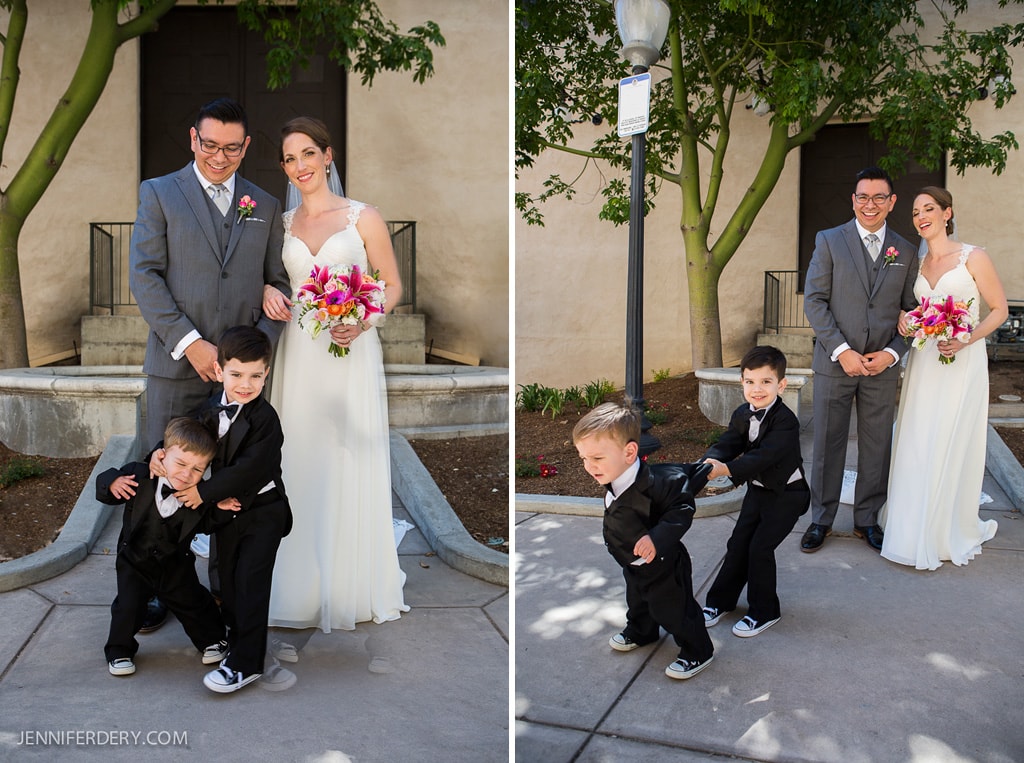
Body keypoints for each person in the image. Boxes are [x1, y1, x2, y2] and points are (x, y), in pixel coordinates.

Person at [129, 97, 289, 629]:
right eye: (210, 145)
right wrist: (191, 343)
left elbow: (279, 285)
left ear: (246, 147)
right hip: (176, 366)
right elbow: (145, 276)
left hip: (237, 382)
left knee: (229, 486)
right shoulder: (159, 193)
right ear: (193, 139)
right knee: (167, 477)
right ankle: (157, 588)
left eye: (232, 148)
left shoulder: (264, 203)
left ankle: (225, 588)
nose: (220, 157)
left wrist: (252, 356)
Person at [260, 116, 408, 635]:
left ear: (328, 156)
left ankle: (349, 583)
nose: (299, 165)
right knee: (297, 454)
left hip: (350, 350)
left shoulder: (364, 217)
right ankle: (296, 584)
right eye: (289, 158)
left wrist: (363, 321)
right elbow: (271, 279)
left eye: (308, 153)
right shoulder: (280, 224)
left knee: (346, 453)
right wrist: (267, 291)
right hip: (298, 354)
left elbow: (392, 285)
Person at [153, 327, 293, 693]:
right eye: (236, 374)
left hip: (263, 511)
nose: (245, 384)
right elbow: (185, 438)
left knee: (250, 585)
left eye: (255, 376)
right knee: (228, 580)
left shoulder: (266, 420)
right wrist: (158, 454)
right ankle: (235, 640)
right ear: (219, 370)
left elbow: (249, 469)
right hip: (228, 513)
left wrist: (202, 492)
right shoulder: (209, 409)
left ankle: (247, 664)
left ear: (266, 373)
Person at [880, 187, 1007, 569]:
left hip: (962, 360)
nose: (921, 216)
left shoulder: (974, 256)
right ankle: (911, 522)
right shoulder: (916, 263)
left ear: (947, 213)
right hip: (925, 361)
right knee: (919, 436)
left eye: (929, 209)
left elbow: (999, 309)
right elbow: (912, 308)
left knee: (950, 434)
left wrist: (967, 338)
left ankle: (944, 527)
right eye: (916, 212)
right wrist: (905, 318)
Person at [800, 166, 920, 553]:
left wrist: (892, 353)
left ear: (892, 202)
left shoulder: (906, 250)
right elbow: (815, 301)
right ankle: (821, 519)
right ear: (853, 200)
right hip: (834, 363)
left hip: (881, 368)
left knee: (876, 446)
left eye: (879, 197)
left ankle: (867, 520)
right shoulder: (829, 240)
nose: (871, 204)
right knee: (827, 445)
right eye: (863, 197)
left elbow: (912, 311)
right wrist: (842, 351)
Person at [572, 403, 715, 680]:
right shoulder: (615, 475)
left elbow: (680, 510)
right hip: (632, 561)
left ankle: (698, 650)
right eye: (583, 458)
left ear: (629, 452)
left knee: (673, 609)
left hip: (663, 565)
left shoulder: (657, 482)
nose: (589, 466)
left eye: (597, 458)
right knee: (638, 600)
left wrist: (656, 538)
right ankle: (642, 631)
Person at [97, 417, 228, 677]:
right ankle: (119, 650)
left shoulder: (199, 495)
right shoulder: (139, 475)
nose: (186, 474)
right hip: (134, 562)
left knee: (193, 601)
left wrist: (221, 507)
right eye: (180, 463)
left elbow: (206, 523)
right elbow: (105, 483)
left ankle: (213, 640)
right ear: (162, 455)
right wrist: (112, 483)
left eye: (197, 469)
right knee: (128, 606)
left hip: (175, 563)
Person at [700, 346, 809, 638]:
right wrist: (709, 461)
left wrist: (726, 470)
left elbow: (763, 457)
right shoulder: (742, 413)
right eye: (750, 381)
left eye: (765, 382)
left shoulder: (786, 422)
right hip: (758, 492)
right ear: (742, 382)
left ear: (781, 385)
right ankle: (720, 602)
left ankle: (765, 611)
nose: (757, 389)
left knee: (759, 549)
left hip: (788, 495)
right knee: (738, 544)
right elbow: (729, 443)